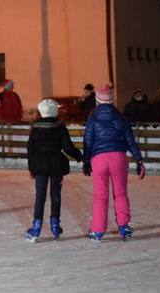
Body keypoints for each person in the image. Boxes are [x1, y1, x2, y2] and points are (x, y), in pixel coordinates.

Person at [82, 84, 145, 243]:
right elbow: (130, 141)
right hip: (118, 158)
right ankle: (123, 226)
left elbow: (88, 141)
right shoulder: (120, 117)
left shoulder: (93, 118)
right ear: (111, 100)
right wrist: (138, 159)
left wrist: (86, 161)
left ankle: (97, 230)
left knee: (100, 196)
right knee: (120, 193)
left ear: (97, 100)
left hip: (99, 160)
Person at [25, 99, 83, 241]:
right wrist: (78, 156)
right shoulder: (59, 126)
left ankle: (37, 226)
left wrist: (32, 167)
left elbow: (30, 149)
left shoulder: (36, 127)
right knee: (55, 194)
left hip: (39, 163)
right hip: (57, 162)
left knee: (40, 195)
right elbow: (67, 147)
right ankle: (55, 224)